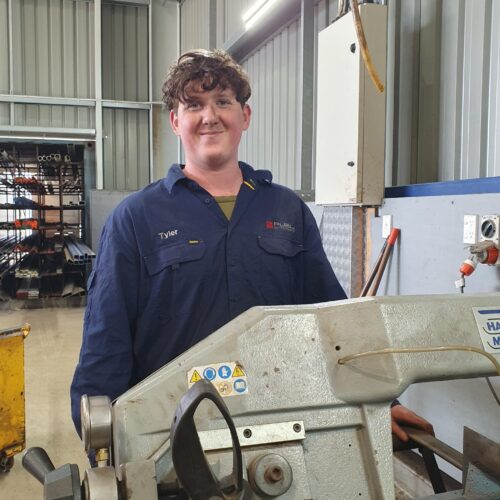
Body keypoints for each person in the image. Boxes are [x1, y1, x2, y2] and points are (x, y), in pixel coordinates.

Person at [70, 49, 432, 443]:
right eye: (194, 105)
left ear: (245, 116)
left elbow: (330, 321)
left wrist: (380, 400)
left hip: (279, 429)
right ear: (175, 121)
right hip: (169, 437)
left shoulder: (287, 210)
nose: (210, 116)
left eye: (223, 102)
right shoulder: (135, 218)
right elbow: (107, 337)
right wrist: (102, 438)